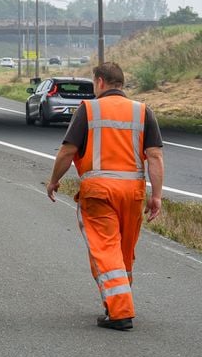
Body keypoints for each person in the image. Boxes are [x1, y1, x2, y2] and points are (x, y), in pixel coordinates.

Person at [45, 62, 165, 331]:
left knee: (106, 248)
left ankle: (120, 310)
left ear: (100, 82)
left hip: (98, 192)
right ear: (121, 83)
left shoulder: (88, 110)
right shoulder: (143, 111)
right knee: (124, 252)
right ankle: (117, 302)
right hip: (133, 194)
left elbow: (67, 151)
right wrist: (156, 195)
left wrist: (54, 181)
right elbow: (155, 156)